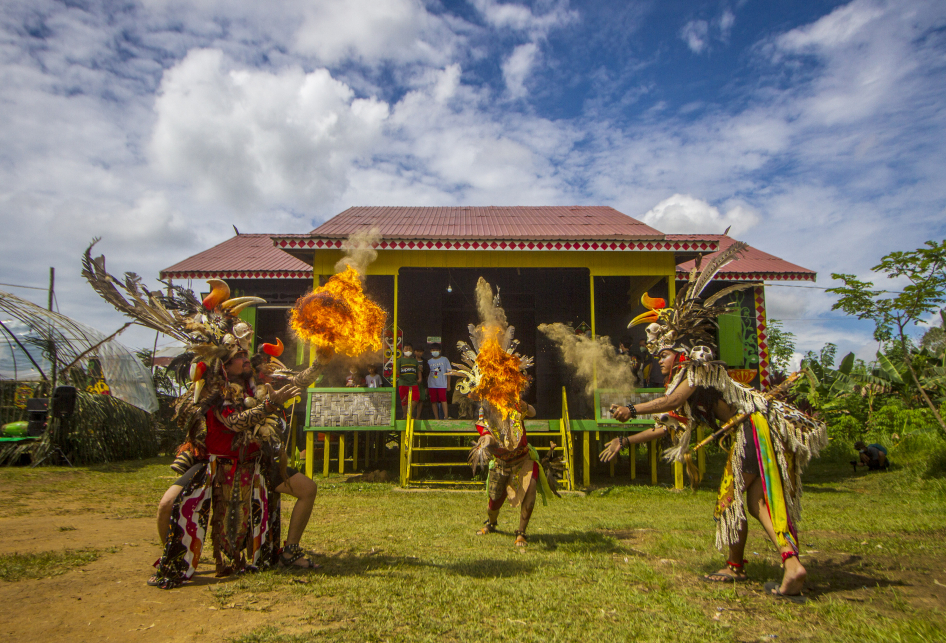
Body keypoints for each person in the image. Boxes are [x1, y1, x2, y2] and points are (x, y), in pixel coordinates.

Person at [599, 241, 827, 602]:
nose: (659, 361)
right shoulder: (686, 382)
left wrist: (631, 407)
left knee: (729, 500)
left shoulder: (696, 368)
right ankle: (786, 564)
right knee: (754, 503)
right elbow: (666, 426)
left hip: (755, 428)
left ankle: (753, 566)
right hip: (754, 432)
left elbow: (670, 401)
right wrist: (624, 441)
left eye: (663, 354)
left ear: (680, 351)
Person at [427, 342, 454, 420]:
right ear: (430, 351)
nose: (435, 351)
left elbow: (449, 372)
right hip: (432, 384)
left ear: (439, 351)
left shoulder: (444, 360)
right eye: (433, 350)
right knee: (433, 401)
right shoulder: (429, 361)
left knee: (443, 399)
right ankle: (436, 417)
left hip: (442, 384)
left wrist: (448, 384)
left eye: (436, 350)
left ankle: (446, 416)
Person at [397, 342, 422, 420]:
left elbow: (418, 371)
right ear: (403, 350)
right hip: (403, 383)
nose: (408, 350)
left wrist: (420, 378)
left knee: (416, 397)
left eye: (409, 349)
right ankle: (406, 416)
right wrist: (396, 372)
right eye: (406, 349)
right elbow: (397, 371)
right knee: (404, 401)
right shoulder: (400, 360)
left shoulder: (414, 361)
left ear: (412, 351)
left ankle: (408, 413)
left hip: (413, 383)